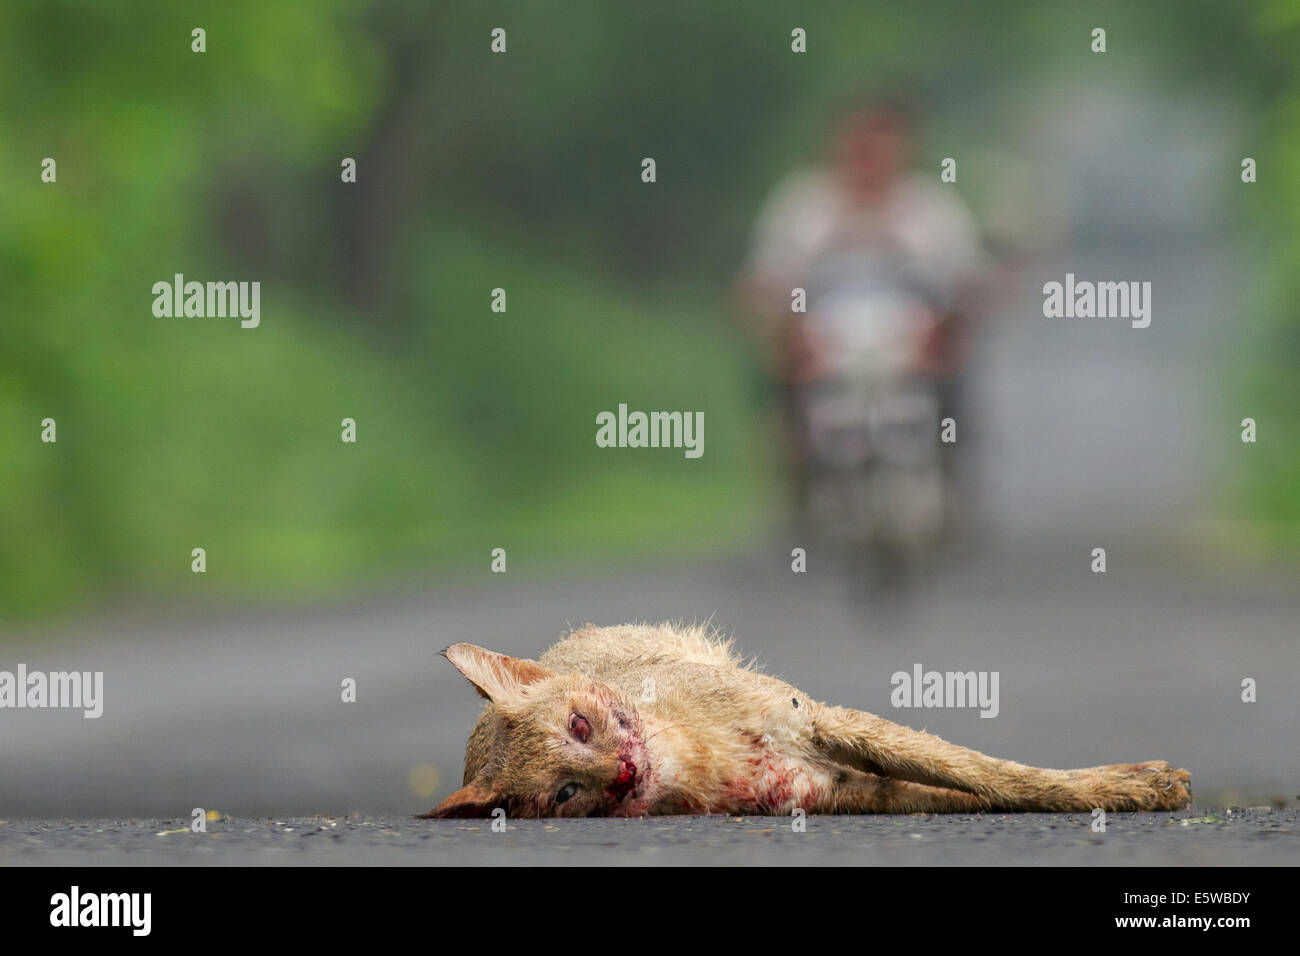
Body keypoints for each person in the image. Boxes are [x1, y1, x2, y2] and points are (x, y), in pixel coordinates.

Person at [735, 94, 990, 529]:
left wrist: (948, 326)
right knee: (777, 372)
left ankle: (950, 468)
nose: (868, 153)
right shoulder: (802, 207)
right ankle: (796, 470)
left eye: (881, 140)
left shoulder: (931, 210)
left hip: (908, 343)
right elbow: (763, 280)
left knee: (956, 375)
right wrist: (786, 330)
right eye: (858, 140)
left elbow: (967, 280)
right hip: (827, 342)